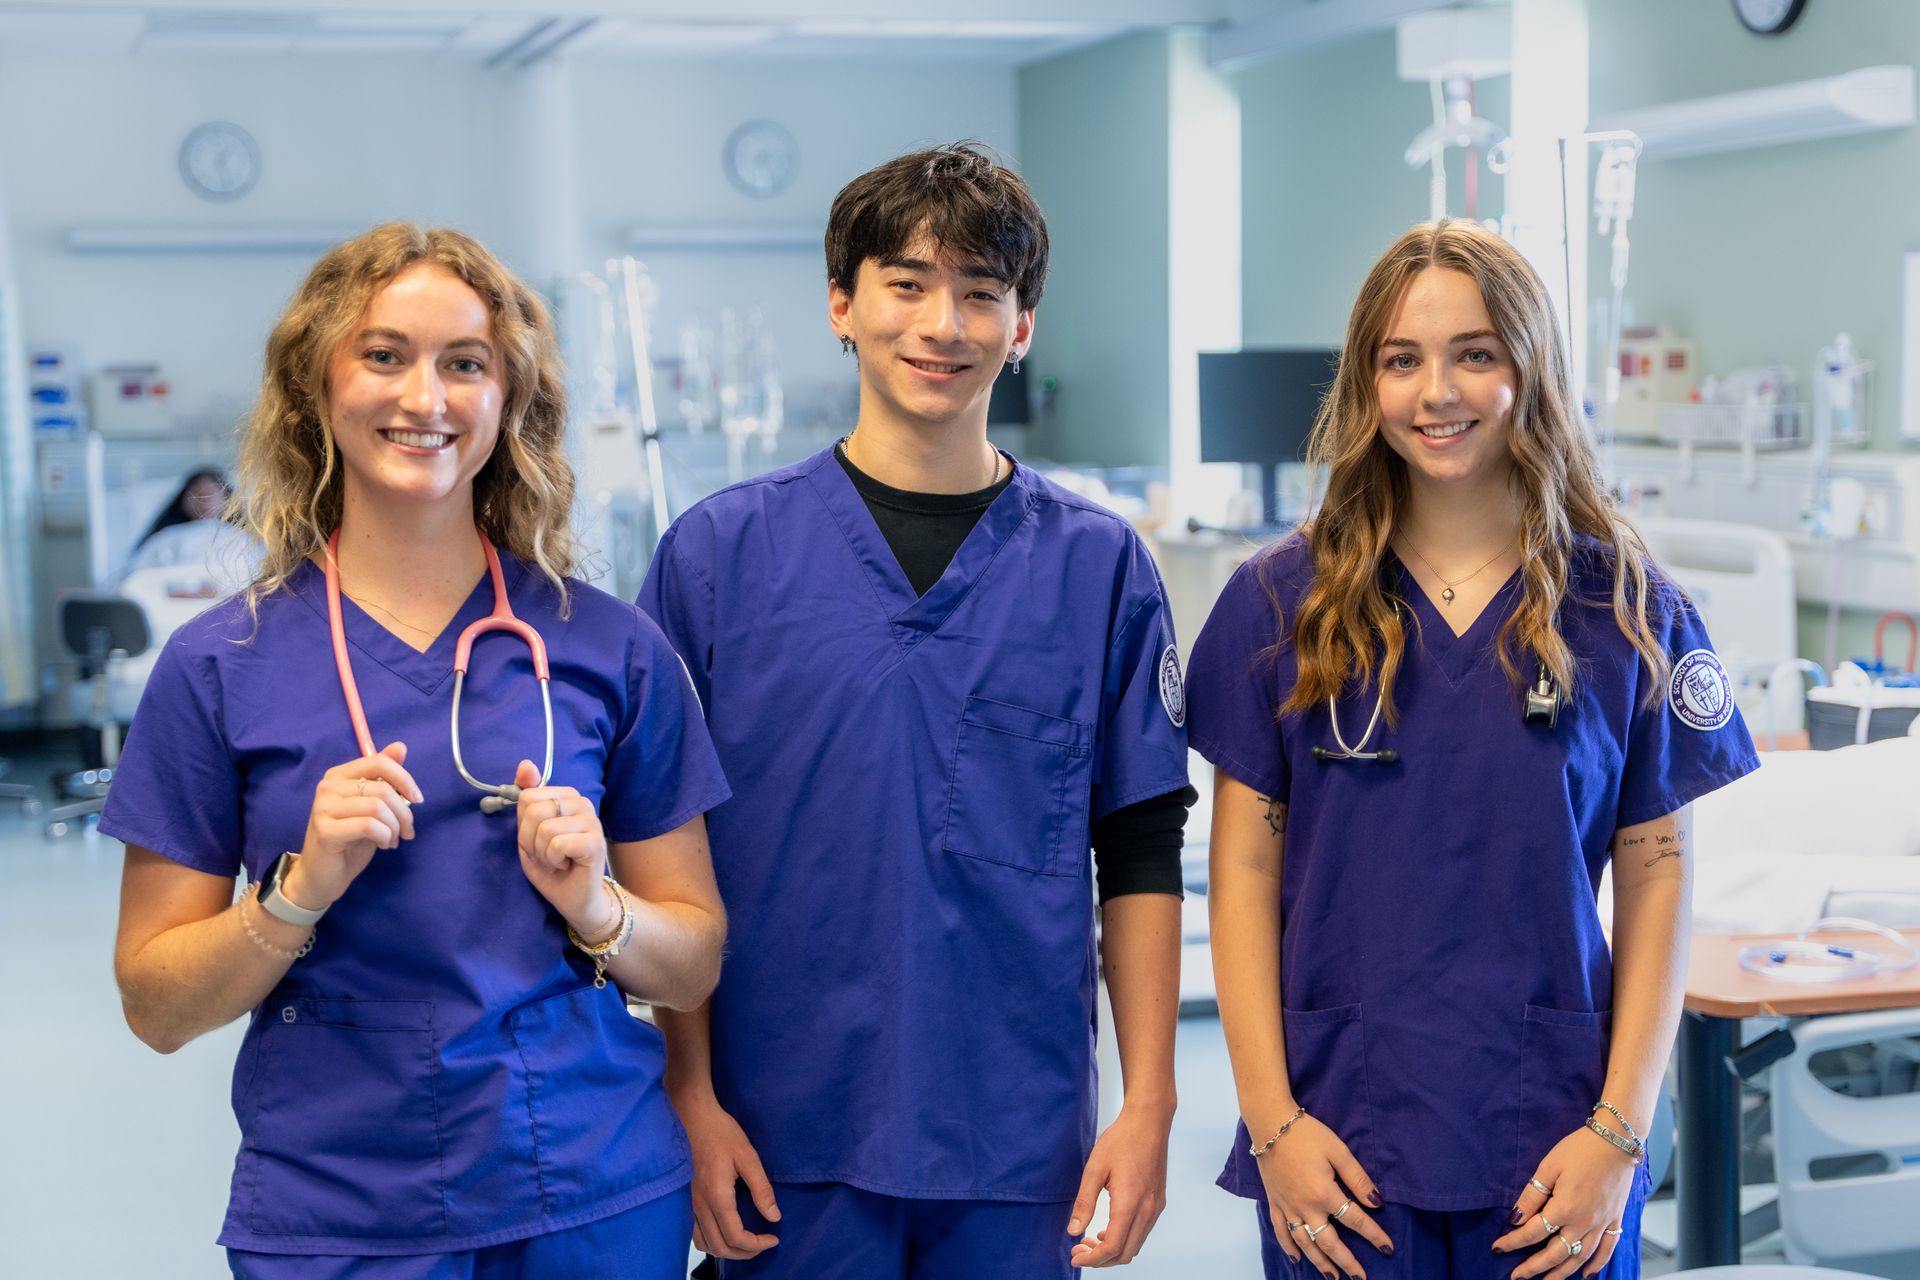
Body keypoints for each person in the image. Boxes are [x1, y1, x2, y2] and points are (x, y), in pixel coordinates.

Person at [106, 222, 733, 1278]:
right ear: (318, 382)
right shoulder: (220, 665)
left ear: (510, 398)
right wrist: (296, 893)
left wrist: (599, 908)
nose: (426, 398)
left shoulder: (608, 646)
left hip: (589, 1189)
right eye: (385, 354)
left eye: (466, 363)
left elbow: (697, 956)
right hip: (339, 1205)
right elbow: (157, 1004)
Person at [638, 143, 1193, 1278]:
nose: (944, 322)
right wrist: (688, 1094)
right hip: (781, 1124)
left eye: (982, 293)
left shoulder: (1100, 571)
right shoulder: (716, 558)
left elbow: (1139, 848)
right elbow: (660, 851)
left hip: (1013, 1137)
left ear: (1022, 324)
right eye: (906, 283)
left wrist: (1150, 1104)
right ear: (841, 304)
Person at [1189, 220, 1760, 1280]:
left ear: (1528, 369)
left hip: (1555, 1145)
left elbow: (1658, 874)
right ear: (1368, 380)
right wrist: (1272, 1124)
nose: (1435, 390)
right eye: (1401, 359)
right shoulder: (1279, 601)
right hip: (1339, 1135)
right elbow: (1242, 871)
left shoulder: (1626, 607)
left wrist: (1618, 1133)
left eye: (1475, 353)